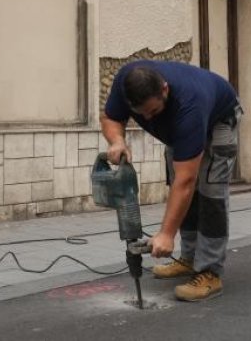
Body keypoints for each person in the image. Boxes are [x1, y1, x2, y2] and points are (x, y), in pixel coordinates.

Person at [102, 60, 241, 302]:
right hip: (182, 128)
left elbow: (186, 181)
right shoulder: (126, 83)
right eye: (141, 115)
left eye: (153, 112)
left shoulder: (189, 105)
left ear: (164, 89)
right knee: (180, 186)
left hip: (220, 120)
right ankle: (188, 259)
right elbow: (111, 118)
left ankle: (210, 272)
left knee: (209, 194)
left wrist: (166, 234)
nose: (148, 118)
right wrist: (117, 141)